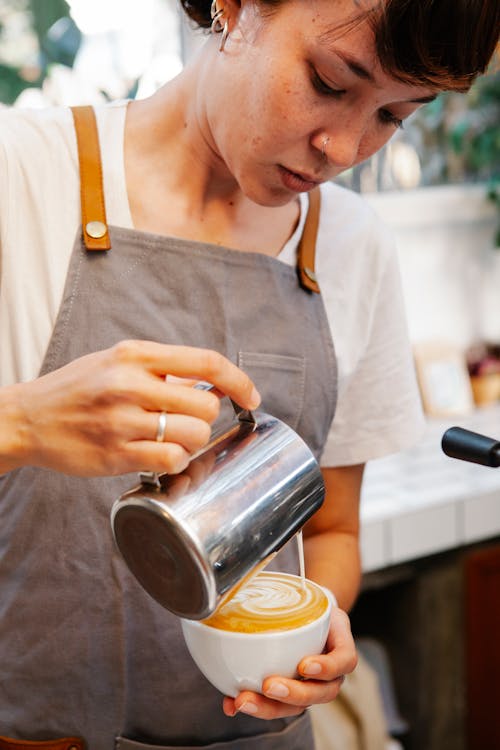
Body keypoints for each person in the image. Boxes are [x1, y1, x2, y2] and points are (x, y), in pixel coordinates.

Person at [0, 0, 498, 748]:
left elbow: (331, 530)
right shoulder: (23, 177)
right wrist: (21, 424)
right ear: (232, 7)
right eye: (330, 82)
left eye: (394, 115)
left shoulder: (354, 250)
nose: (342, 146)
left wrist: (314, 629)